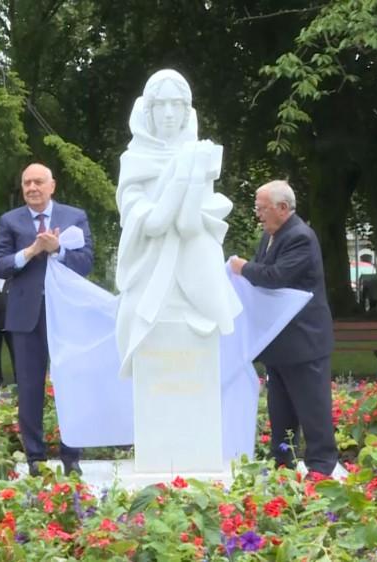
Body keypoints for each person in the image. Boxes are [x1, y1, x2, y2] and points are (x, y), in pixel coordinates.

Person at [115, 69, 240, 378]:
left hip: (191, 271)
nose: (169, 113)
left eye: (177, 104)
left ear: (187, 111)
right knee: (133, 317)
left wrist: (192, 174)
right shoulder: (134, 161)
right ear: (149, 110)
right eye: (161, 105)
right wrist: (183, 174)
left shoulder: (198, 156)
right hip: (148, 270)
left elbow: (188, 226)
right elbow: (154, 224)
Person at [228, 180, 338, 476]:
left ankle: (321, 468)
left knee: (312, 409)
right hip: (279, 343)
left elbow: (276, 276)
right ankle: (282, 466)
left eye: (262, 208)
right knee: (281, 412)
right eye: (257, 208)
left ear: (283, 208)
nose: (258, 214)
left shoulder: (300, 236)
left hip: (304, 341)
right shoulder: (270, 236)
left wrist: (242, 268)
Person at [0, 162, 94, 476]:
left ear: (52, 186)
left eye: (38, 182)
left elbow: (86, 262)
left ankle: (71, 456)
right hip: (27, 317)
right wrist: (33, 250)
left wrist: (58, 249)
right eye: (27, 183)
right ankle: (35, 459)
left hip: (66, 316)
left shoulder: (74, 217)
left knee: (70, 386)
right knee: (30, 388)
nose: (32, 188)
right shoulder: (10, 221)